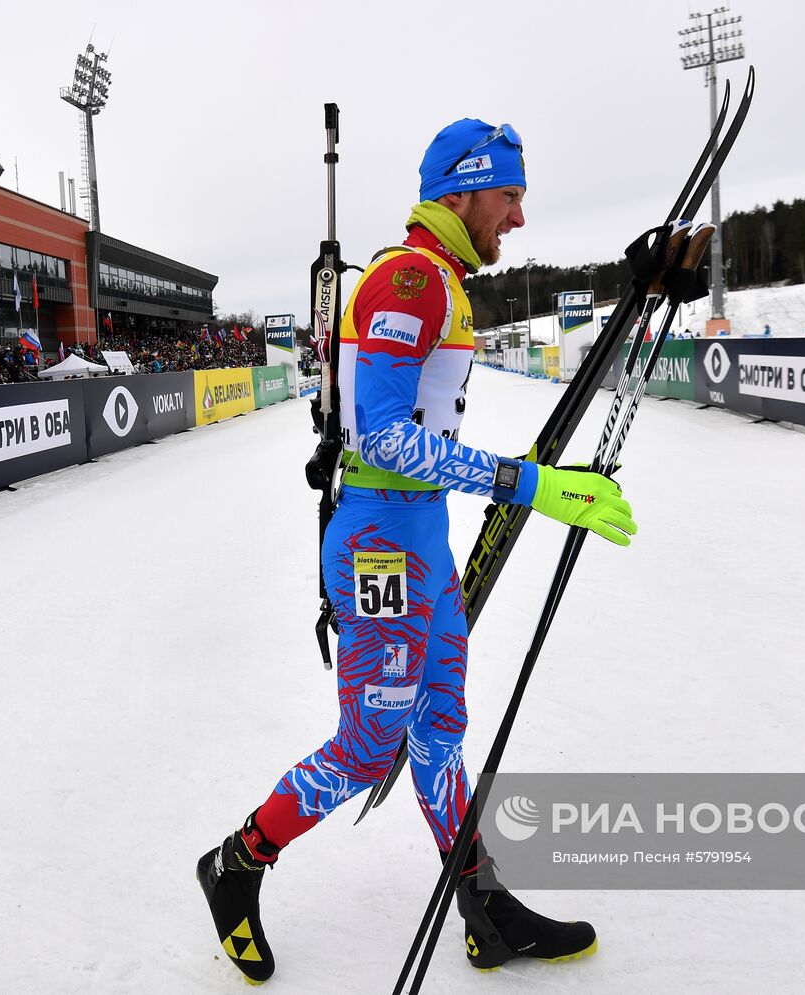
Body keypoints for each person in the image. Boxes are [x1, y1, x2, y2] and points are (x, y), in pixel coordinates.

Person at [196, 118, 637, 986]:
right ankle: (238, 861)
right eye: (508, 196)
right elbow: (388, 440)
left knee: (440, 727)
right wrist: (528, 484)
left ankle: (482, 907)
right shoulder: (409, 277)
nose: (516, 216)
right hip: (378, 549)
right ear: (465, 190)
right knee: (369, 745)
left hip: (420, 539)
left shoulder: (443, 280)